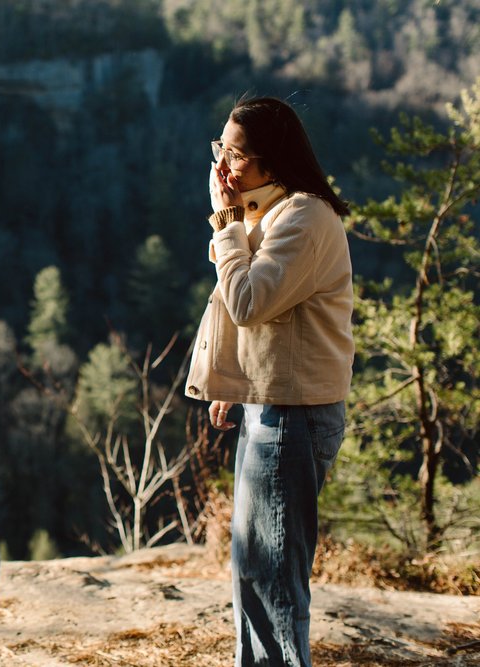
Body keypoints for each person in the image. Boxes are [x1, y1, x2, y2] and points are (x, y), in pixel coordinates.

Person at [184, 96, 354, 667]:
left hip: (293, 418)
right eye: (221, 150)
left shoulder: (304, 218)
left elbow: (249, 301)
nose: (224, 167)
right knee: (256, 569)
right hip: (276, 409)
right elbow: (275, 324)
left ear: (271, 160)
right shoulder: (277, 211)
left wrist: (229, 224)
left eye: (235, 154)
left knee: (274, 580)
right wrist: (236, 381)